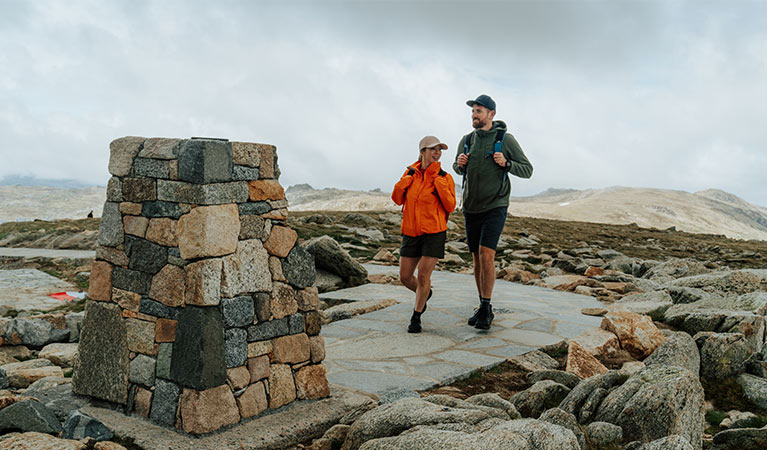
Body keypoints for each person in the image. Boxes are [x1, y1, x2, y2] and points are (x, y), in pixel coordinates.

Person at [453, 95, 533, 330]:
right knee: (477, 258)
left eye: (478, 111)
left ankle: (487, 307)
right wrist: (460, 163)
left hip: (495, 206)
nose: (474, 115)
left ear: (491, 114)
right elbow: (458, 169)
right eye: (473, 112)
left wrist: (507, 164)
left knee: (486, 254)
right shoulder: (467, 140)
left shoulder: (505, 139)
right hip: (471, 207)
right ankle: (482, 304)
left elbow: (527, 170)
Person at [392, 136, 456, 333]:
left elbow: (451, 206)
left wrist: (439, 184)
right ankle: (425, 293)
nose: (437, 153)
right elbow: (396, 198)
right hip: (411, 232)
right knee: (404, 277)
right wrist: (406, 181)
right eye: (433, 149)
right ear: (422, 152)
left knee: (423, 276)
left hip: (434, 233)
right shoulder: (410, 173)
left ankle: (416, 316)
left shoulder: (445, 177)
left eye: (439, 150)